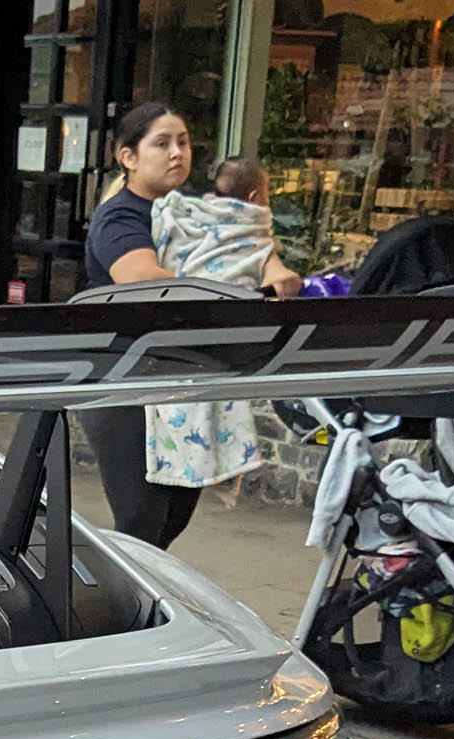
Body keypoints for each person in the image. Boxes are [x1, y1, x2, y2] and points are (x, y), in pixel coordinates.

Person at [76, 103, 299, 549]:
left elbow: (249, 243)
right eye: (161, 143)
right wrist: (235, 293)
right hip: (123, 384)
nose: (177, 152)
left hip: (185, 382)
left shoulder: (196, 211)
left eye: (183, 141)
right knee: (142, 521)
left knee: (172, 521)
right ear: (129, 157)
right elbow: (145, 283)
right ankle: (121, 613)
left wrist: (273, 271)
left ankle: (140, 610)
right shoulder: (121, 217)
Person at [140, 156, 292, 493]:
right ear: (254, 198)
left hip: (175, 332)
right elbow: (267, 267)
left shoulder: (184, 217)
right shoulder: (250, 228)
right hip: (211, 330)